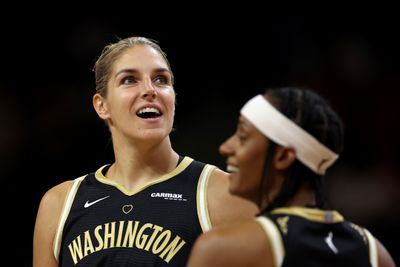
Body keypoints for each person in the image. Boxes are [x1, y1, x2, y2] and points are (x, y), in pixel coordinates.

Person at [32, 36, 258, 267]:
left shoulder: (225, 195)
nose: (150, 90)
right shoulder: (60, 204)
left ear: (173, 97)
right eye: (129, 80)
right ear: (102, 105)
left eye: (161, 79)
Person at [187, 87, 396, 267]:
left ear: (283, 156)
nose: (225, 147)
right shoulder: (374, 253)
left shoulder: (222, 249)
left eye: (242, 137)